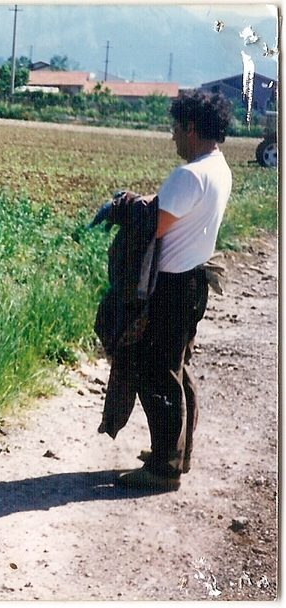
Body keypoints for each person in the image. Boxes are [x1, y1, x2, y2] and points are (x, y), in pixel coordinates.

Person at [115, 90, 233, 491]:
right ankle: (177, 452)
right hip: (195, 281)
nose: (173, 138)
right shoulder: (217, 168)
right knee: (177, 371)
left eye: (176, 129)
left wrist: (128, 208)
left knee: (158, 374)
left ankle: (163, 470)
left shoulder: (188, 175)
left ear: (192, 129)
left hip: (172, 286)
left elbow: (154, 228)